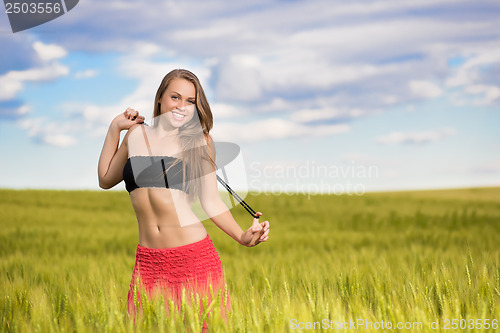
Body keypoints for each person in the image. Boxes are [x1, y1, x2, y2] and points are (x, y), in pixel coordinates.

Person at [97, 69, 270, 329]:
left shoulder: (199, 141)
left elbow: (211, 202)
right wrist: (114, 128)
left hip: (193, 259)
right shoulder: (136, 136)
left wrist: (243, 238)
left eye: (190, 101)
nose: (182, 106)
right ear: (160, 99)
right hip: (147, 262)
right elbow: (106, 178)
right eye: (175, 97)